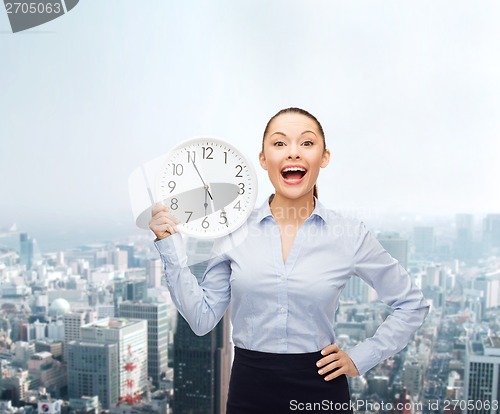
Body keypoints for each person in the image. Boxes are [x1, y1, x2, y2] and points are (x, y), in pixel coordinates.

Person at [149, 107, 430, 414]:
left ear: (324, 157)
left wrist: (361, 357)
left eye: (307, 143)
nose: (293, 153)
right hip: (249, 392)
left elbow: (412, 304)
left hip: (322, 390)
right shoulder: (233, 232)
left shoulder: (348, 234)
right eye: (280, 143)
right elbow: (202, 319)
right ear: (263, 159)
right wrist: (169, 244)